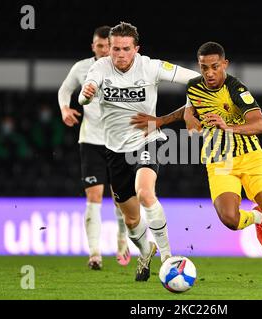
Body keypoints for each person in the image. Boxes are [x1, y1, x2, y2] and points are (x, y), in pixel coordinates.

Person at [141, 42, 262, 287]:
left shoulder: (236, 89)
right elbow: (190, 109)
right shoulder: (194, 87)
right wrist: (161, 121)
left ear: (224, 65)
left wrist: (228, 127)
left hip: (251, 159)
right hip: (219, 162)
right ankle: (255, 218)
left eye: (214, 67)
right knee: (230, 219)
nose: (209, 73)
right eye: (204, 67)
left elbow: (261, 124)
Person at [78, 22, 200, 281]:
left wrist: (189, 109)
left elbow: (195, 79)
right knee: (131, 221)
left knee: (146, 193)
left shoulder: (150, 66)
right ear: (108, 48)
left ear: (136, 49)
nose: (119, 54)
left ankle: (167, 258)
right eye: (115, 49)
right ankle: (146, 251)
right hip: (113, 149)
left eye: (125, 49)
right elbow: (84, 97)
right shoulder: (99, 67)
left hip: (146, 140)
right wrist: (86, 96)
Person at [58, 26, 130, 270]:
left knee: (120, 199)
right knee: (94, 195)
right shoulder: (81, 68)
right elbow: (64, 90)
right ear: (93, 47)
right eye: (98, 46)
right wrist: (65, 108)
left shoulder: (123, 68)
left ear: (112, 46)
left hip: (118, 141)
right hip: (90, 141)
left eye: (106, 46)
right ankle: (95, 254)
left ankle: (122, 243)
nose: (102, 50)